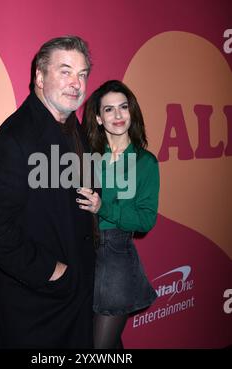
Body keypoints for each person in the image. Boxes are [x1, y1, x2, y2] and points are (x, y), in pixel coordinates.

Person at [0, 36, 96, 348]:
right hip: (36, 306)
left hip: (76, 295)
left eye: (82, 75)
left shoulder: (75, 130)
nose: (76, 84)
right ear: (39, 77)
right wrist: (53, 272)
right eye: (65, 72)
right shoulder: (14, 139)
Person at [79, 80, 160, 349]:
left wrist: (105, 207)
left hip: (116, 258)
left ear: (131, 112)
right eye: (109, 109)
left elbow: (146, 219)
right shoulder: (87, 156)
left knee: (98, 348)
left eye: (123, 107)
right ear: (99, 118)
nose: (118, 115)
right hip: (83, 254)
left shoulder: (144, 162)